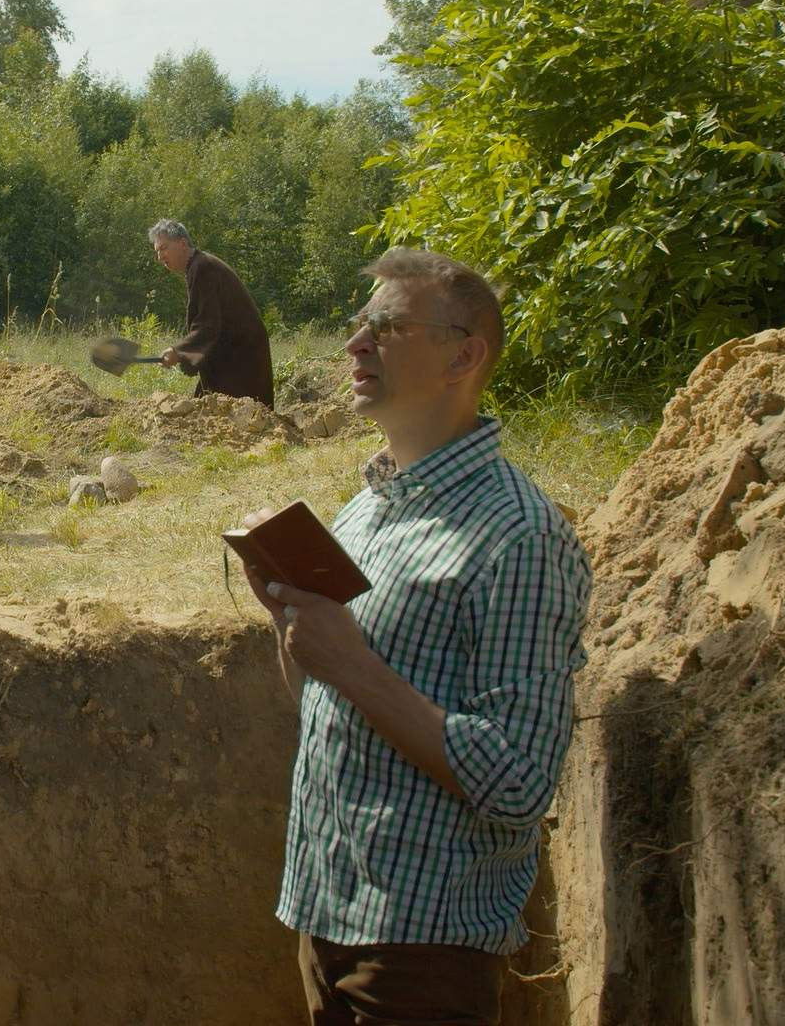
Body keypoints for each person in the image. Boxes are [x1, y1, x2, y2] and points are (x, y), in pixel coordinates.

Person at [237, 248, 591, 1025]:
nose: (355, 344)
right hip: (326, 913)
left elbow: (521, 782)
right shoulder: (367, 509)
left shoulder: (518, 537)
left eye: (387, 327)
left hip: (424, 952)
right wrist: (291, 627)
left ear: (464, 356)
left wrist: (353, 664)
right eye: (360, 324)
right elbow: (326, 701)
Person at [148, 219, 274, 407]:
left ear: (182, 243)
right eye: (157, 251)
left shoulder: (203, 268)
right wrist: (181, 352)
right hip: (230, 355)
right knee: (204, 407)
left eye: (164, 248)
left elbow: (207, 324)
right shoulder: (198, 266)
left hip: (241, 357)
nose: (160, 256)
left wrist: (178, 351)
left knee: (244, 415)